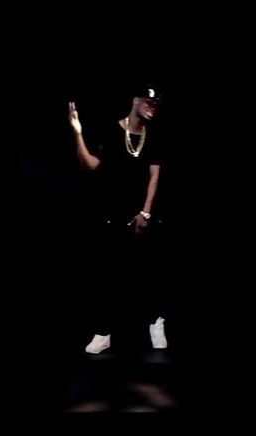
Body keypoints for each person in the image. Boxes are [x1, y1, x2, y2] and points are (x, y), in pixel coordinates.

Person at [68, 84, 168, 354]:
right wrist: (78, 133)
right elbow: (90, 164)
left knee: (148, 274)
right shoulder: (112, 131)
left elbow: (155, 176)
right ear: (135, 100)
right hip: (114, 214)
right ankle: (103, 333)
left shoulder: (154, 135)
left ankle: (156, 321)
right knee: (109, 274)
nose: (153, 106)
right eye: (148, 101)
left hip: (144, 215)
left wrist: (146, 212)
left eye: (156, 103)